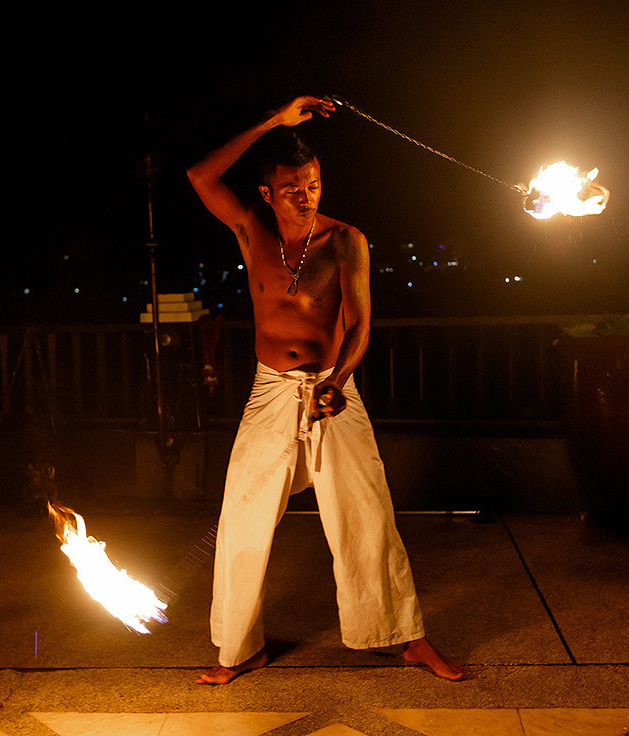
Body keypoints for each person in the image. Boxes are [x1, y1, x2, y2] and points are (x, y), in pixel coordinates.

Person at [185, 95, 465, 684]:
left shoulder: (346, 241)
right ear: (267, 194)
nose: (306, 195)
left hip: (332, 388)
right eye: (292, 187)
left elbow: (361, 323)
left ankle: (407, 639)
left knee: (366, 514)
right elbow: (199, 175)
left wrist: (337, 381)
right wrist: (270, 121)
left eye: (312, 184)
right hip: (268, 393)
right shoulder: (252, 235)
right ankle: (239, 649)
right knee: (242, 516)